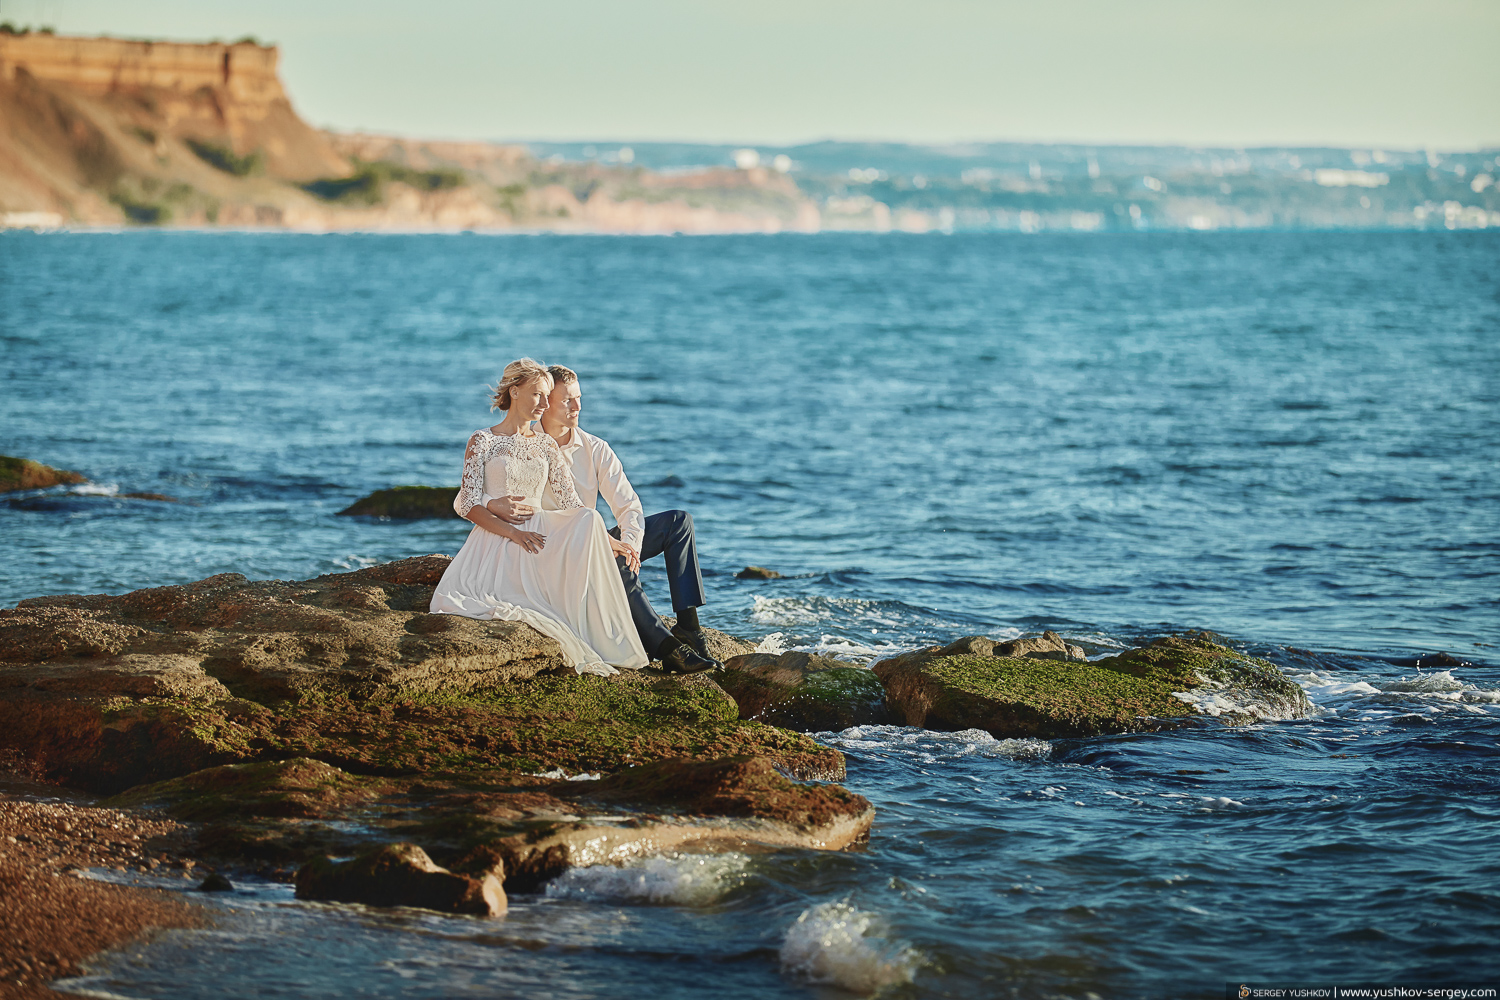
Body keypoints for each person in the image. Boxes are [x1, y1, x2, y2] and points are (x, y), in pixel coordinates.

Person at [480, 364, 719, 674]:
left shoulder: (595, 449)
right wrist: (493, 504)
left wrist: (630, 545)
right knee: (612, 558)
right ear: (545, 401)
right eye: (567, 400)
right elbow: (486, 495)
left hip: (591, 539)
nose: (577, 407)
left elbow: (629, 506)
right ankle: (665, 648)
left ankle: (689, 628)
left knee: (678, 522)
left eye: (579, 398)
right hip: (549, 550)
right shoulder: (526, 446)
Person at [428, 358, 653, 676]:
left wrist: (610, 542)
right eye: (538, 395)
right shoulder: (483, 440)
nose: (545, 404)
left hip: (540, 534)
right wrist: (510, 528)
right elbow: (467, 504)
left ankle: (606, 631)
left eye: (549, 396)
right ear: (515, 392)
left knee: (590, 517)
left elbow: (572, 505)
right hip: (498, 539)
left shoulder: (546, 444)